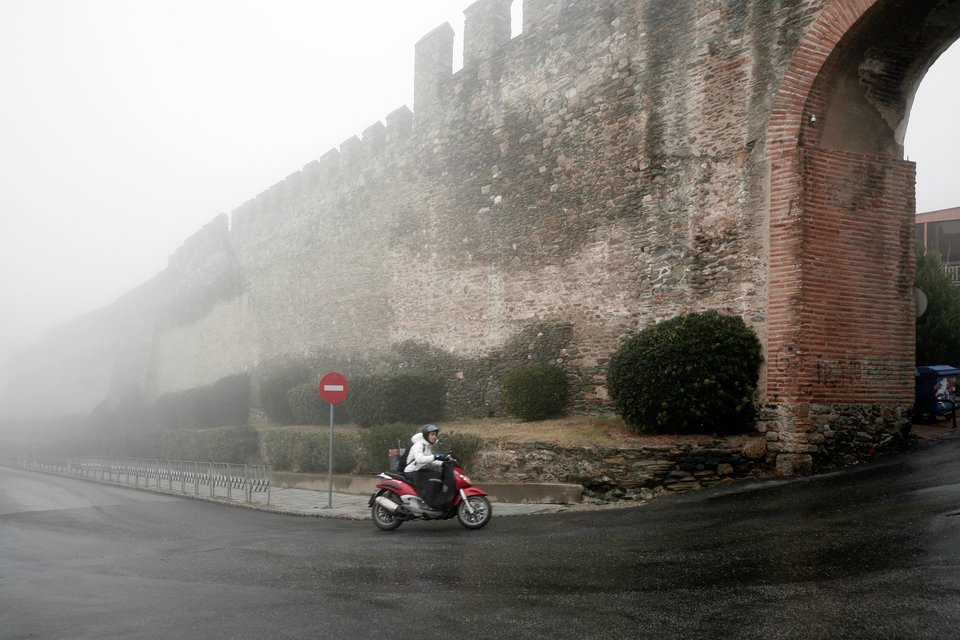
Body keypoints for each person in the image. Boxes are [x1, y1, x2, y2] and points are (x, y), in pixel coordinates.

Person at [403, 424, 453, 509]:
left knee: (438, 476)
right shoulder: (418, 445)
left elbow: (430, 460)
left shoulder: (426, 446)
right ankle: (429, 503)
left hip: (419, 471)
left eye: (436, 435)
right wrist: (435, 456)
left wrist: (443, 463)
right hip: (411, 472)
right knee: (432, 481)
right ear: (426, 435)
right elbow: (419, 459)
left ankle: (438, 500)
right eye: (432, 434)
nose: (435, 437)